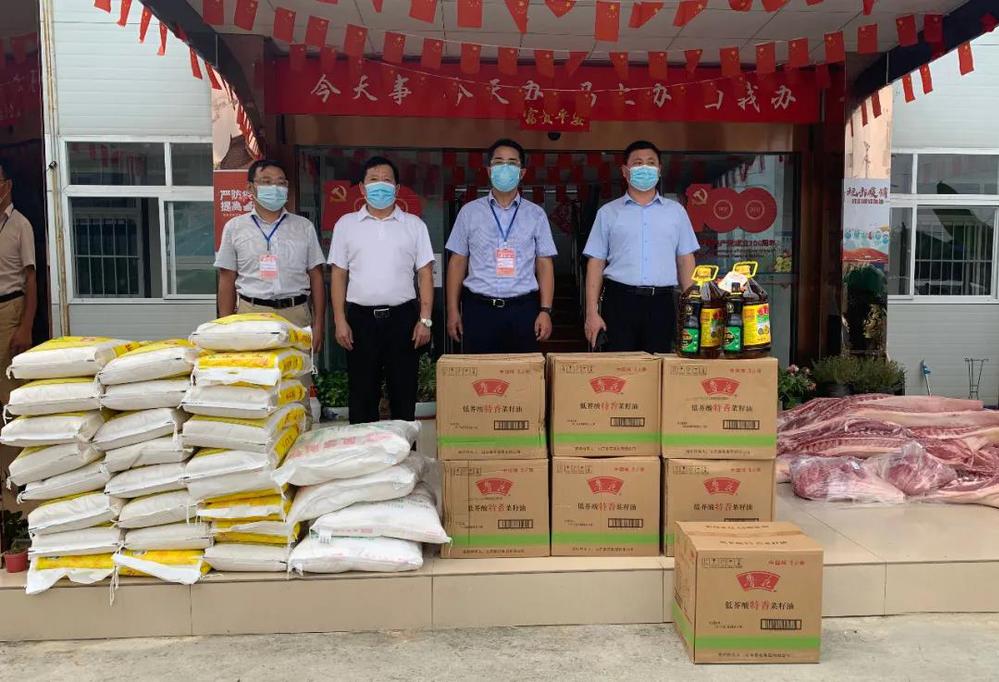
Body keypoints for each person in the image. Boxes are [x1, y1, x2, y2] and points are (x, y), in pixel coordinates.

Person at [329, 156, 434, 424]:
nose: (380, 185)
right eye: (373, 180)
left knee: (404, 394)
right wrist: (340, 320)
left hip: (403, 319)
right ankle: (365, 450)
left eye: (387, 180)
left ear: (397, 188)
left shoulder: (414, 225)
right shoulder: (346, 225)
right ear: (362, 188)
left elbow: (425, 274)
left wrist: (425, 320)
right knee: (362, 396)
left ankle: (404, 450)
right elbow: (338, 275)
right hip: (360, 320)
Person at [583, 140, 699, 354]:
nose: (645, 168)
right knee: (619, 368)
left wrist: (691, 308)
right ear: (625, 171)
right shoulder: (608, 213)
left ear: (659, 170)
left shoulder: (676, 212)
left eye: (651, 163)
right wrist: (591, 312)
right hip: (619, 301)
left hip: (661, 303)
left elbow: (685, 260)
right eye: (638, 163)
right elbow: (596, 263)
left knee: (660, 365)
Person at [446, 138, 557, 354]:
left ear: (522, 173)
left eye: (512, 163)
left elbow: (544, 264)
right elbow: (457, 262)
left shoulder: (536, 214)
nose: (505, 168)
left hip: (523, 310)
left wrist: (545, 310)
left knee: (523, 372)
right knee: (480, 372)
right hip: (479, 309)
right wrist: (452, 310)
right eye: (498, 162)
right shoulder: (469, 212)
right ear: (489, 170)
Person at [214, 159, 326, 352]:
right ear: (250, 188)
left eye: (281, 183)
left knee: (297, 369)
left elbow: (316, 276)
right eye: (266, 182)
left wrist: (319, 324)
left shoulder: (303, 227)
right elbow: (227, 279)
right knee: (256, 369)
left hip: (296, 314)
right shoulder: (235, 228)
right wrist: (226, 327)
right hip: (252, 314)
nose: (275, 188)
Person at [0, 159, 36, 405]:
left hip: (9, 309)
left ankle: (13, 431)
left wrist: (26, 327)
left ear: (8, 185)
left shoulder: (21, 225)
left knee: (8, 383)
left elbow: (31, 278)